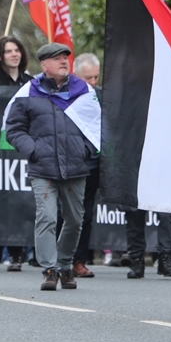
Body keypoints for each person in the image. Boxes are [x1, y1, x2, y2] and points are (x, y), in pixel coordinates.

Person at [4, 42, 100, 291]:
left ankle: (65, 264)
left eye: (66, 58)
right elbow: (13, 130)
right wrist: (33, 150)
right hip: (43, 168)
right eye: (57, 58)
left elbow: (98, 126)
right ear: (44, 65)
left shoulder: (83, 91)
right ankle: (50, 269)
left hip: (75, 166)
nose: (64, 62)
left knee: (75, 220)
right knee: (46, 217)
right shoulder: (28, 93)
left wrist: (84, 151)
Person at [0, 36, 34, 271]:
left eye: (17, 50)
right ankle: (1, 249)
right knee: (4, 199)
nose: (14, 54)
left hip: (24, 148)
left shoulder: (31, 82)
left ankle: (24, 252)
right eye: (9, 51)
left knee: (24, 200)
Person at [70, 52, 101, 279]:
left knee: (86, 214)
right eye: (87, 78)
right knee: (67, 214)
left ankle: (79, 260)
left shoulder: (102, 97)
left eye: (95, 78)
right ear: (75, 75)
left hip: (94, 165)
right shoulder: (64, 97)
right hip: (70, 164)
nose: (92, 83)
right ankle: (60, 259)